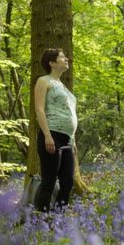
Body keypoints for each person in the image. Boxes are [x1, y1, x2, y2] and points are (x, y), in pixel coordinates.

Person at [33, 48, 77, 212]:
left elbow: (70, 113)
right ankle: (39, 222)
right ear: (51, 63)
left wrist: (73, 140)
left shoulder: (62, 85)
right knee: (49, 182)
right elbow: (39, 110)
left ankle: (58, 220)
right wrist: (47, 136)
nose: (67, 59)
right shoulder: (43, 81)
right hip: (52, 136)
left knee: (67, 183)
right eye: (62, 57)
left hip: (67, 140)